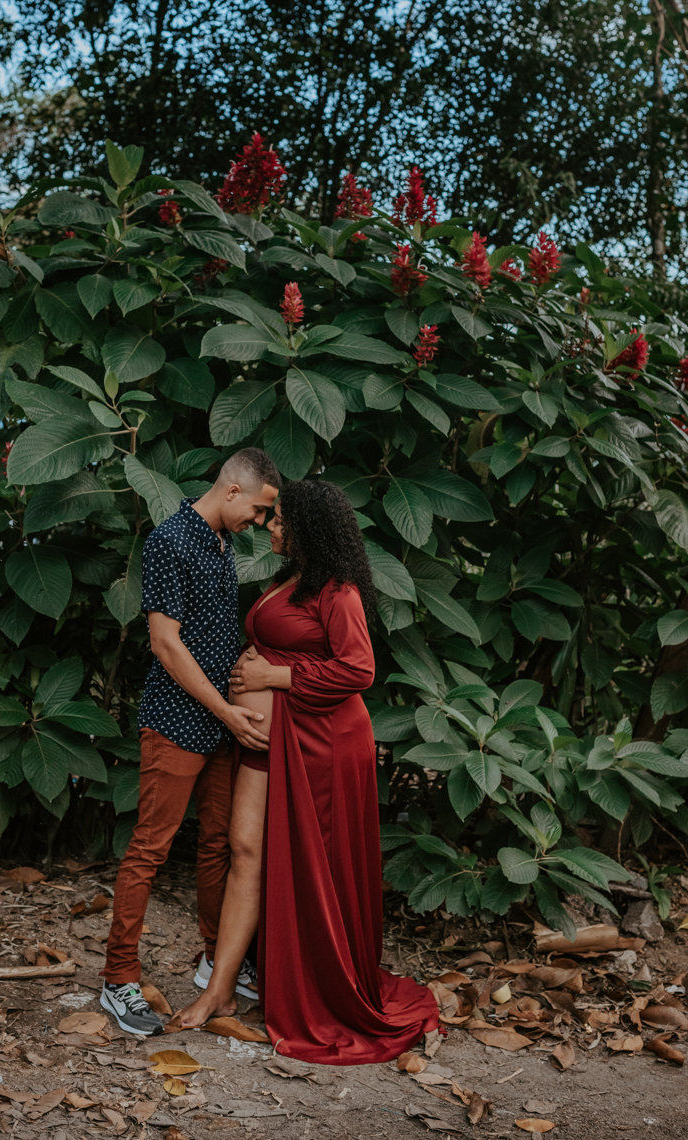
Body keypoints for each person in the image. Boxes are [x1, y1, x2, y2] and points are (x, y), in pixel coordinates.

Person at [175, 479, 438, 1063]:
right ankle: (220, 990)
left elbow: (359, 670)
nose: (269, 527)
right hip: (268, 739)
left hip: (321, 743)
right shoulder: (284, 581)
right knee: (245, 849)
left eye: (279, 522)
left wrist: (274, 678)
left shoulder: (338, 592)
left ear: (307, 529)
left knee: (313, 867)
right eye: (269, 520)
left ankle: (319, 988)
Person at [99, 447, 281, 1036]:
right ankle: (118, 978)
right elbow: (167, 645)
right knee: (150, 848)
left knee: (220, 846)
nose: (259, 523)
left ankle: (215, 963)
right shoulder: (170, 541)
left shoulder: (222, 542)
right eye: (256, 510)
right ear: (232, 490)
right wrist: (228, 711)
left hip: (224, 728)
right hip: (178, 723)